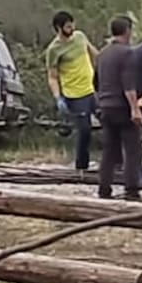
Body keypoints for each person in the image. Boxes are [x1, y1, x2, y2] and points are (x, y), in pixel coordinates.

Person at [93, 15, 142, 201]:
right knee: (132, 150)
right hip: (122, 107)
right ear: (127, 31)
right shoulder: (127, 53)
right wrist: (135, 109)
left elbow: (96, 83)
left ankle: (104, 190)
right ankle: (131, 191)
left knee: (109, 151)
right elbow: (128, 85)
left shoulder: (101, 54)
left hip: (105, 107)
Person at [45, 11, 99, 172]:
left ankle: (117, 162)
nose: (72, 28)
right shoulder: (54, 50)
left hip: (92, 89)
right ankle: (81, 167)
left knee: (111, 121)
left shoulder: (80, 36)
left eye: (73, 24)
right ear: (59, 28)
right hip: (75, 95)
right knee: (84, 131)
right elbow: (52, 77)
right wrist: (58, 98)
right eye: (68, 26)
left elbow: (94, 53)